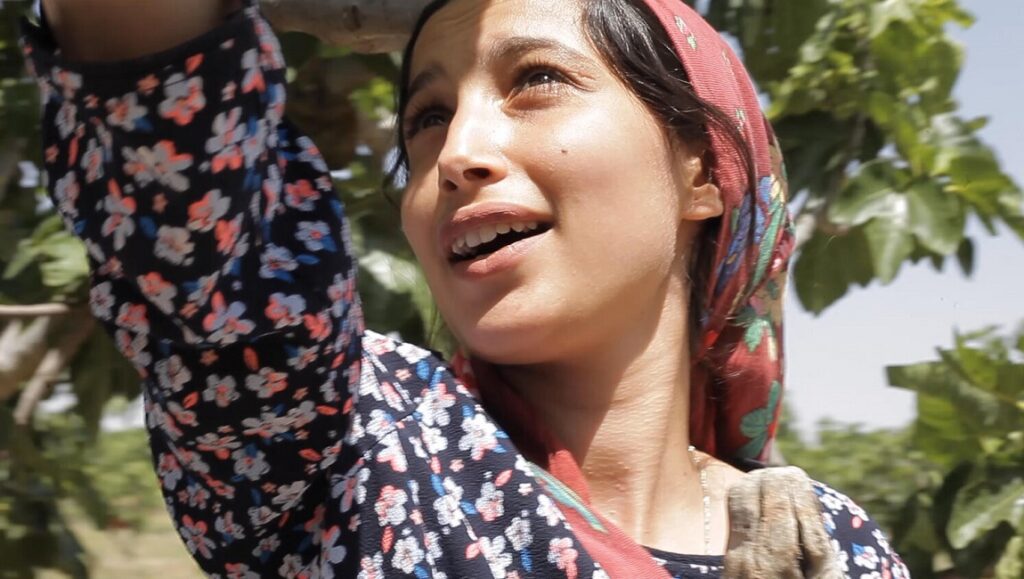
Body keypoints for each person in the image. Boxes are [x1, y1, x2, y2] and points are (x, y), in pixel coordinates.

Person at [21, 0, 909, 577]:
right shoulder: (359, 456)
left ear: (701, 171)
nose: (454, 155)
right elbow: (175, 160)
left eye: (538, 82)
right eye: (427, 118)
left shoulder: (837, 542)